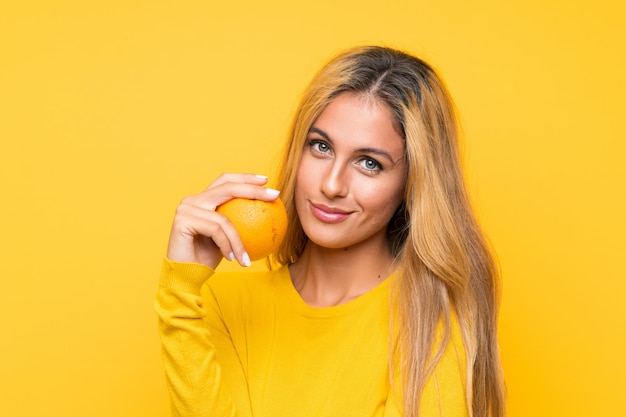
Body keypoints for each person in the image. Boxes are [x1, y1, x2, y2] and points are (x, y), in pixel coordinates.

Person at [155, 45, 506, 417]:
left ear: (413, 183)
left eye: (369, 163)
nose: (332, 185)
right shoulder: (218, 305)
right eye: (321, 147)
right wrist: (180, 289)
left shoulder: (430, 323)